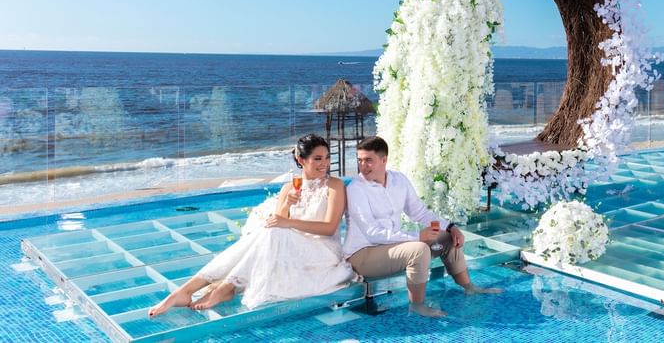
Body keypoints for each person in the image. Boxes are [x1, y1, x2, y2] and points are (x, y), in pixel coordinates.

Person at [148, 134, 357, 317]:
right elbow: (278, 223)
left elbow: (329, 228)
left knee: (273, 232)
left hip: (323, 251)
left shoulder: (334, 186)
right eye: (317, 159)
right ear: (301, 159)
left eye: (327, 158)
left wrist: (289, 220)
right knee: (269, 232)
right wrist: (286, 204)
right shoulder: (288, 188)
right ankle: (187, 290)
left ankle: (224, 288)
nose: (325, 164)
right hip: (291, 249)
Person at [343, 136, 501, 317]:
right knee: (418, 250)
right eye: (360, 161)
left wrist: (451, 227)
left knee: (445, 238)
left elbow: (419, 212)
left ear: (384, 159)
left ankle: (469, 287)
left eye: (368, 160)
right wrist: (417, 237)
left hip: (390, 248)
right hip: (362, 254)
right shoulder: (356, 189)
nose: (363, 166)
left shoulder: (399, 180)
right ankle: (417, 305)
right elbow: (372, 233)